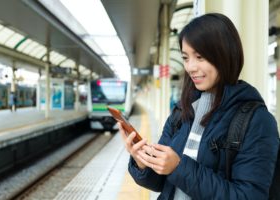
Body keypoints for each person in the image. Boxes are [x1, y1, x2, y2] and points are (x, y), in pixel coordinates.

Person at [118, 13, 279, 200]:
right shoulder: (182, 111)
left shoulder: (257, 121)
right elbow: (160, 182)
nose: (190, 67)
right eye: (186, 58)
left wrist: (179, 168)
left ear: (225, 55)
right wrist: (142, 162)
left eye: (200, 57)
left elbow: (250, 196)